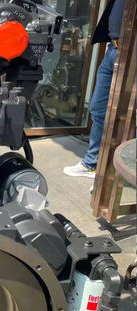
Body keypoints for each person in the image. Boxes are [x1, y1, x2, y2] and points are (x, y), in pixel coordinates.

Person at [63, 0, 127, 178]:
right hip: (113, 50)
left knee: (128, 117)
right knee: (98, 109)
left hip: (130, 53)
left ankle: (119, 175)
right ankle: (93, 163)